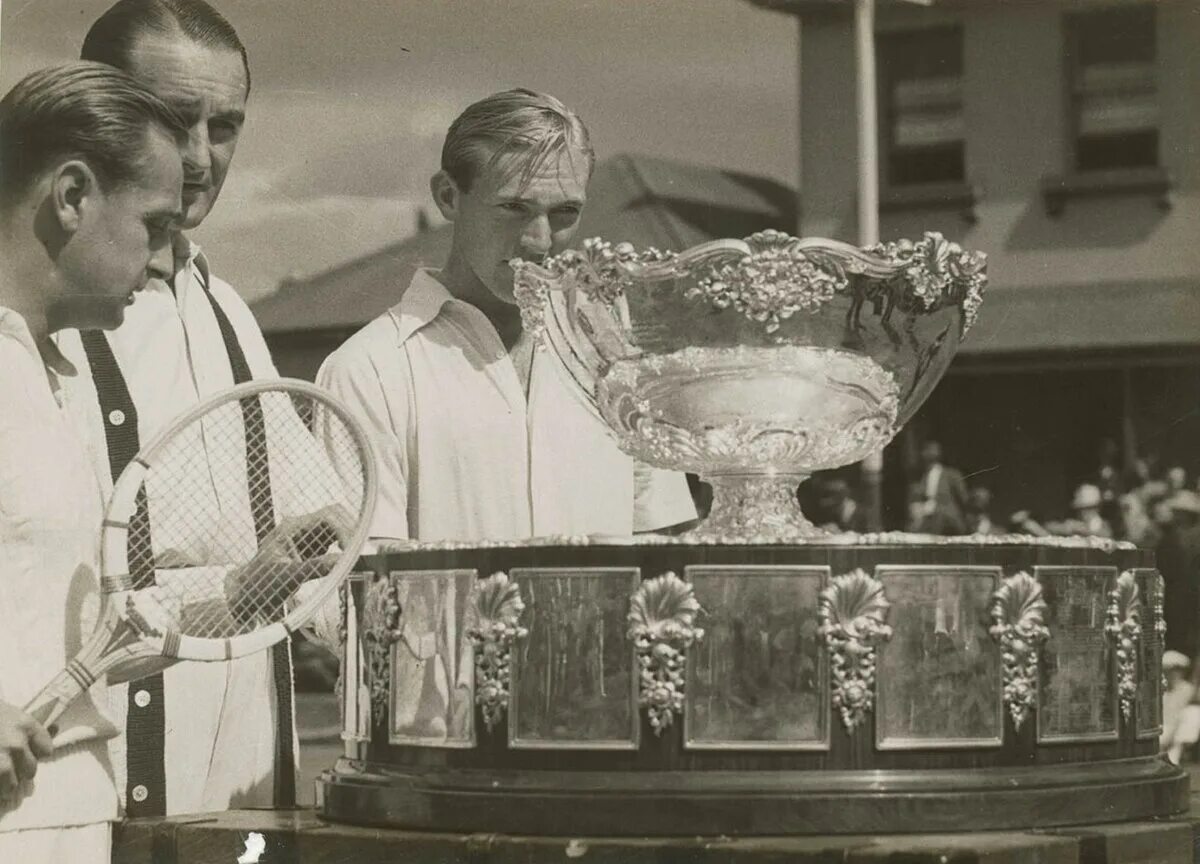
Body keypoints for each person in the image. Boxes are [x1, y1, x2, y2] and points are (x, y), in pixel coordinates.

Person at [316, 90, 697, 737]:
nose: (540, 241)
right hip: (436, 756)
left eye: (565, 212)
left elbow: (665, 554)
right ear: (447, 196)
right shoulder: (369, 370)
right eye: (514, 208)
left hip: (603, 747)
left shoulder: (614, 357)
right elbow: (345, 605)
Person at [54, 0, 301, 816]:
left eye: (224, 126)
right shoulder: (32, 318)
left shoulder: (226, 304)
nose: (199, 157)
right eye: (172, 119)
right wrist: (233, 590)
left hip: (247, 790)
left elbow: (316, 525)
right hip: (91, 789)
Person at [0, 62, 184, 860]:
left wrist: (247, 587)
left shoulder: (60, 379)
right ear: (72, 196)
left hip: (75, 817)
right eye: (157, 226)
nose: (168, 262)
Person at [913, 440, 969, 535]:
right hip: (926, 518)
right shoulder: (921, 477)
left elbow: (964, 499)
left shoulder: (952, 474)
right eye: (927, 450)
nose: (929, 453)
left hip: (948, 520)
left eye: (933, 450)